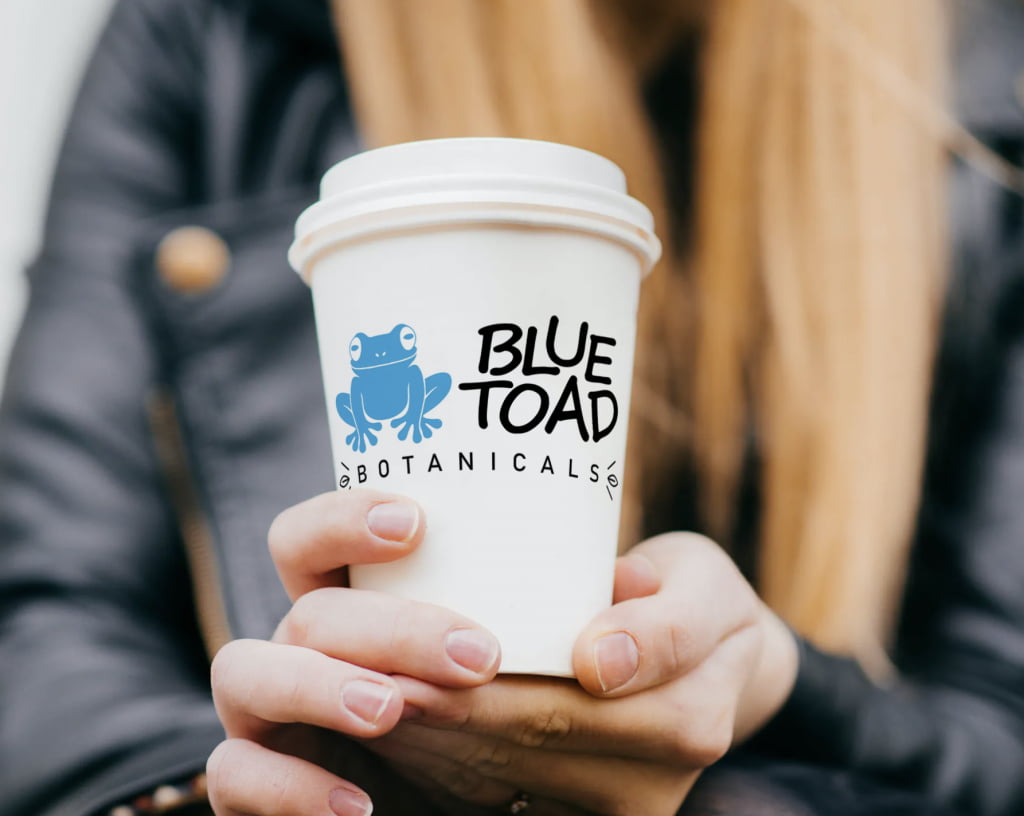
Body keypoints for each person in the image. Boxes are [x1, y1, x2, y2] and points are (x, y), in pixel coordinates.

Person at [1, 0, 1023, 814]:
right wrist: (237, 790)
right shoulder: (219, 31)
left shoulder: (986, 86)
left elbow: (999, 733)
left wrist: (775, 698)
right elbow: (47, 626)